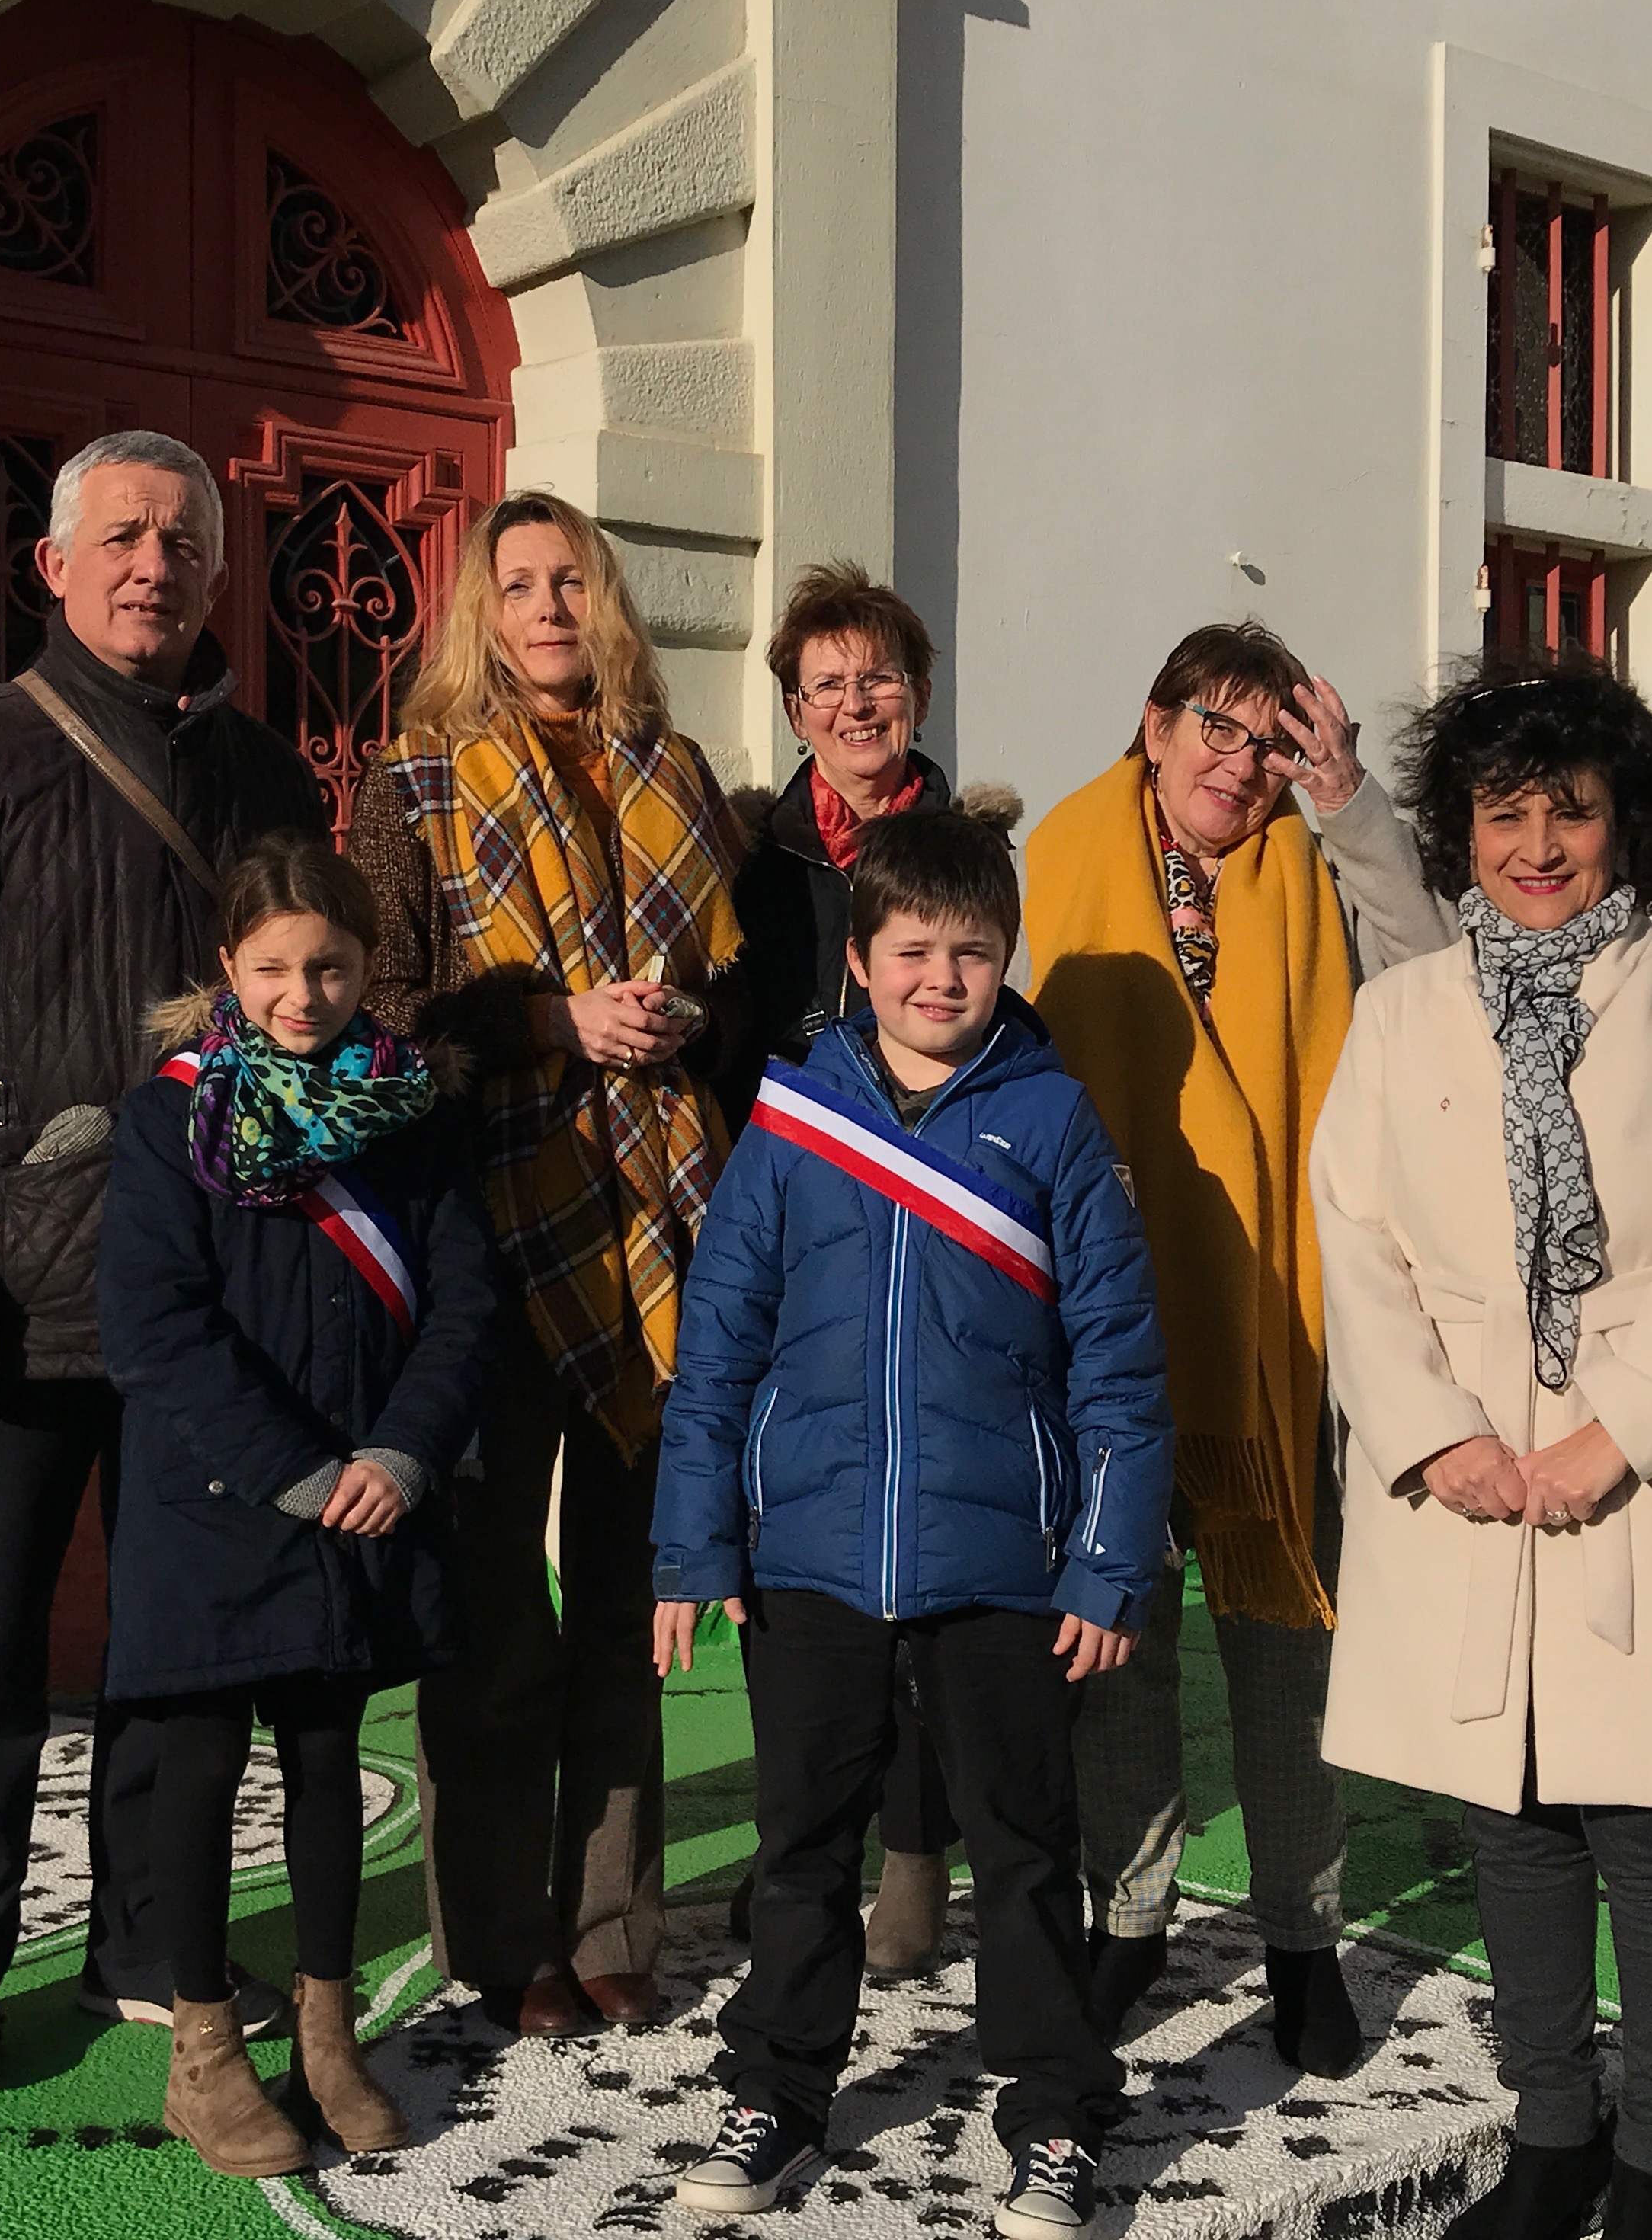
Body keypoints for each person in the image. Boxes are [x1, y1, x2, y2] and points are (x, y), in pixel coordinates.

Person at [1311, 658, 1652, 2240]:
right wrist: (1432, 1440)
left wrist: (1626, 1433)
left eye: (1572, 810)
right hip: (1467, 1479)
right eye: (1503, 811)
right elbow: (1355, 1238)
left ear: (1629, 822)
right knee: (1513, 1821)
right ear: (1459, 829)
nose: (1537, 844)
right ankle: (1553, 2138)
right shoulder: (1404, 1008)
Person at [0, 428, 326, 2093]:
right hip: (16, 1301)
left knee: (177, 1656)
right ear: (53, 565)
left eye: (182, 543)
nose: (151, 568)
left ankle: (143, 1940)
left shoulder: (268, 782)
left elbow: (312, 1026)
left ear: (213, 575)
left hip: (209, 1301)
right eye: (119, 538)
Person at [652, 809, 1173, 2240]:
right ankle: (776, 2095)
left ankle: (1054, 2118)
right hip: (809, 1559)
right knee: (800, 1847)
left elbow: (1123, 1360)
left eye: (973, 952)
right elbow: (719, 1348)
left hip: (1005, 1568)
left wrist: (1110, 1560)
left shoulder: (1057, 1120)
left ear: (1007, 958)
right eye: (912, 951)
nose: (941, 978)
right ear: (863, 962)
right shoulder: (791, 1116)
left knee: (1021, 1852)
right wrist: (696, 1545)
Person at [1023, 620, 1453, 2076]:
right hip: (1110, 1320)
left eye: (1268, 739)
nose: (1239, 760)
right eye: (1216, 723)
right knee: (1116, 1644)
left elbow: (1433, 972)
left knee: (1285, 1652)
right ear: (1153, 723)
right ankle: (1129, 1918)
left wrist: (1349, 803)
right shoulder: (1057, 860)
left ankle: (1301, 1938)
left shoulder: (1312, 867)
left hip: (1280, 1317)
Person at [347, 491, 748, 2036]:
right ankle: (500, 1936)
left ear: (608, 600)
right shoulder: (418, 785)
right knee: (501, 1609)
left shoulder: (680, 772)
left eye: (572, 579)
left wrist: (674, 1022)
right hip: (496, 1226)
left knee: (629, 1606)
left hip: (663, 1230)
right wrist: (549, 1022)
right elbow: (383, 1013)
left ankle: (610, 1922)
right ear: (481, 613)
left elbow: (732, 980)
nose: (550, 605)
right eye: (518, 584)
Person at [95, 830, 494, 2174]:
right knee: (200, 1766)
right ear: (227, 966)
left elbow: (461, 1309)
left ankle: (328, 2037)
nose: (300, 995)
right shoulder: (169, 1116)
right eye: (271, 968)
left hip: (367, 1499)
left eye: (328, 967)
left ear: (368, 965)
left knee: (329, 1762)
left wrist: (403, 1454)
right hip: (218, 1501)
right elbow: (154, 1325)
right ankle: (203, 2055)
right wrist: (296, 1468)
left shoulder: (416, 1112)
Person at [720, 560, 1015, 1977]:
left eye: (879, 676)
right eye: (826, 682)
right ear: (793, 707)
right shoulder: (752, 856)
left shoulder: (967, 846)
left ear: (919, 694)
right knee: (814, 1558)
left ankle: (915, 1851)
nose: (856, 701)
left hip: (941, 1233)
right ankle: (807, 1848)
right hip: (798, 1235)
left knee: (936, 1562)